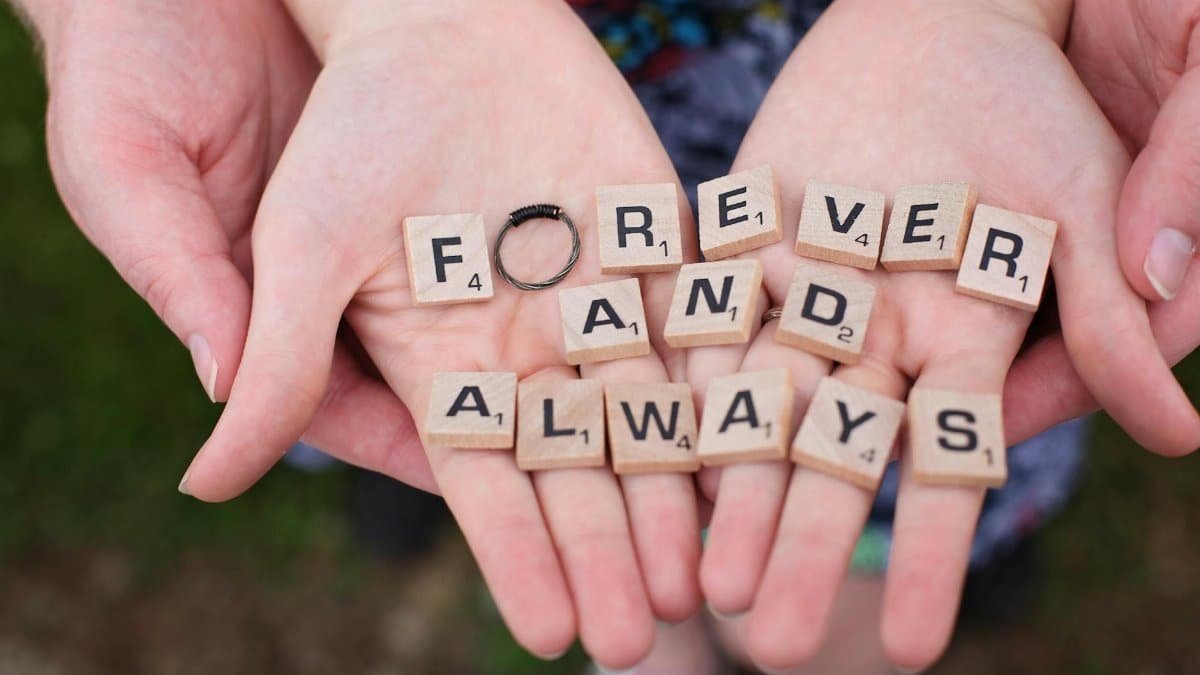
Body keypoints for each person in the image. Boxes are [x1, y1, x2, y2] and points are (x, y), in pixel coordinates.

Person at [10, 0, 1199, 672]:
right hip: (403, 103)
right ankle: (622, 595)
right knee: (468, 397)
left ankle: (897, 563)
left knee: (891, 407)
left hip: (915, 98)